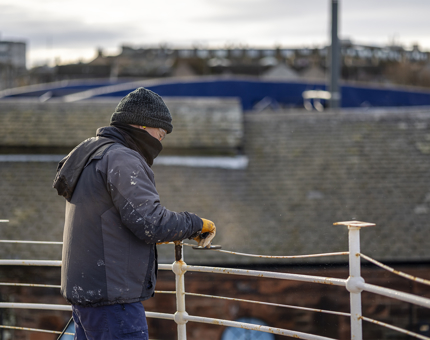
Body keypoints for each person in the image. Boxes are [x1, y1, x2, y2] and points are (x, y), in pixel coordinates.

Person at [53, 87, 216, 340]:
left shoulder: (90, 153)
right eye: (160, 133)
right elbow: (151, 223)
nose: (161, 140)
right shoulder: (121, 158)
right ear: (141, 126)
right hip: (113, 301)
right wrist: (196, 224)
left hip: (87, 298)